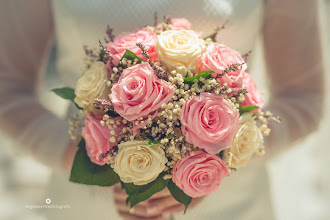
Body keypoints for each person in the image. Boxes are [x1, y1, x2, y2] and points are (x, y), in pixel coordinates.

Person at [0, 0, 325, 219]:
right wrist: (93, 161)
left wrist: (214, 167)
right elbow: (8, 91)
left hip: (231, 207)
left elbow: (303, 97)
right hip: (88, 205)